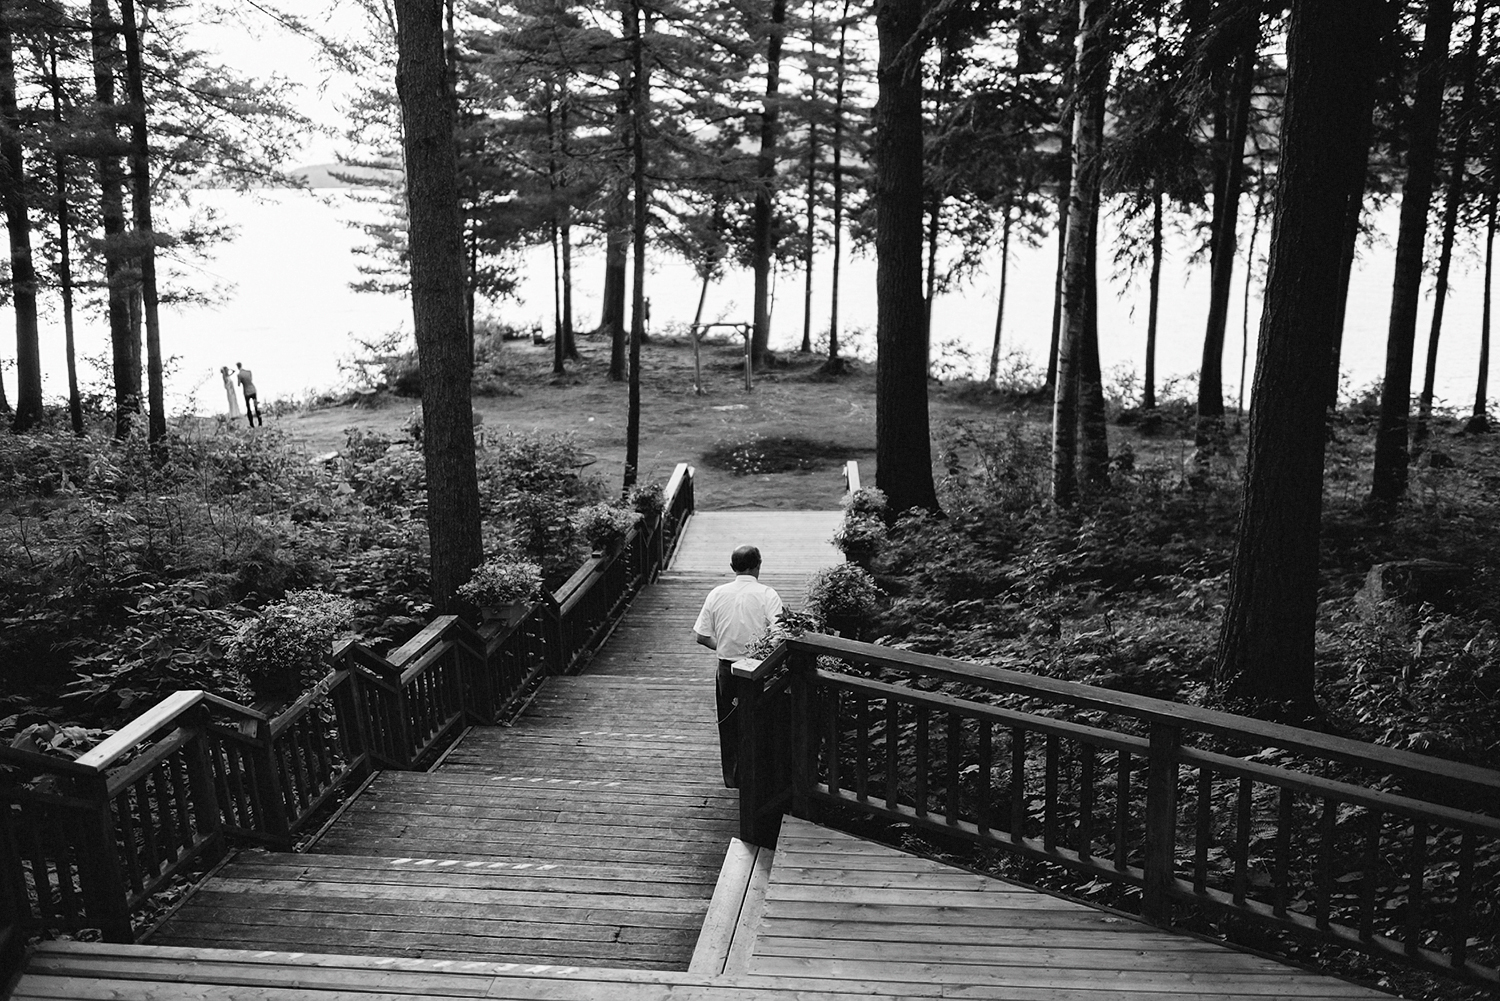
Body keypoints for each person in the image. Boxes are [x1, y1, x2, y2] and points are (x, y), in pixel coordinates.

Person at [692, 545, 783, 788]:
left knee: (730, 723)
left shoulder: (716, 593)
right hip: (758, 668)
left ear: (732, 568)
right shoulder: (767, 594)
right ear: (758, 565)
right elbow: (778, 635)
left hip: (727, 669)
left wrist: (723, 646)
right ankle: (760, 776)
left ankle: (734, 777)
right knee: (761, 721)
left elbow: (700, 636)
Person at [236, 362, 262, 427]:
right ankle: (260, 422)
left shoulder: (239, 375)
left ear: (237, 367)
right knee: (256, 406)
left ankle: (251, 424)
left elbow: (238, 384)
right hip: (253, 390)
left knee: (248, 408)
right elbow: (250, 379)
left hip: (246, 392)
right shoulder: (249, 372)